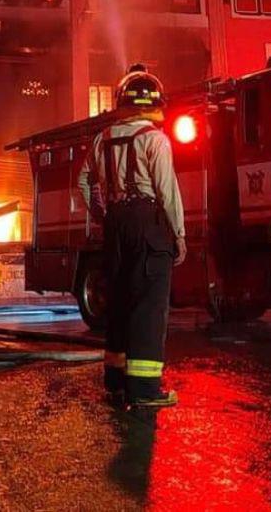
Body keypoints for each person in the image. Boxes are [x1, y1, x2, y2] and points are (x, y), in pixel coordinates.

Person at [78, 64, 186, 409]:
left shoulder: (101, 139)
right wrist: (179, 235)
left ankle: (116, 382)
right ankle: (144, 390)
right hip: (147, 223)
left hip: (116, 223)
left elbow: (83, 182)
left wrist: (102, 214)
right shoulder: (155, 139)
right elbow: (167, 191)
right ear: (156, 102)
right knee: (149, 306)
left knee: (120, 301)